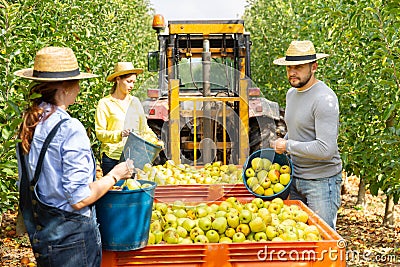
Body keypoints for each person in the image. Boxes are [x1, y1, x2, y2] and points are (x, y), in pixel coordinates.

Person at [15, 47, 133, 267]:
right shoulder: (69, 128)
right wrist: (115, 175)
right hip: (71, 240)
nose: (79, 88)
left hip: (44, 231)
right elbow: (79, 198)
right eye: (76, 83)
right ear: (64, 88)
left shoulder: (30, 122)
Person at [272, 40, 342, 230]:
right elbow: (297, 131)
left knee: (323, 240)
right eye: (289, 67)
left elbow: (326, 150)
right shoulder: (291, 94)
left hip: (321, 183)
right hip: (295, 178)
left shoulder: (324, 99)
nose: (292, 72)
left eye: (299, 67)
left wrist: (287, 146)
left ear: (314, 67)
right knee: (299, 237)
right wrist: (284, 141)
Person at [95, 62, 161, 175]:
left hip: (134, 158)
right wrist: (119, 134)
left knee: (133, 190)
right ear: (118, 79)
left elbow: (144, 128)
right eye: (128, 81)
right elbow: (100, 133)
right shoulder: (105, 103)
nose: (132, 86)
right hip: (112, 158)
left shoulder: (135, 102)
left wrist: (156, 141)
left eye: (134, 82)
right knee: (115, 191)